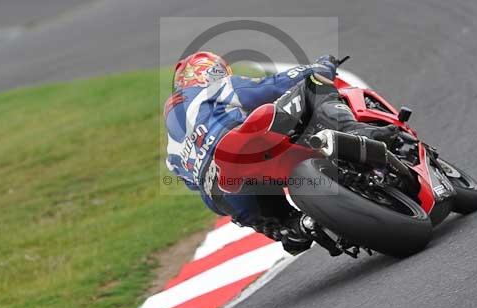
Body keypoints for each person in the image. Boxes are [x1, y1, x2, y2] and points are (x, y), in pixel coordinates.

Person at [164, 51, 399, 254]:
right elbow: (273, 86)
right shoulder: (207, 91)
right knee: (313, 83)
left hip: (224, 193)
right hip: (244, 145)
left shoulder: (171, 149)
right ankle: (356, 131)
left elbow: (195, 185)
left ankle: (293, 228)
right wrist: (322, 66)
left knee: (287, 228)